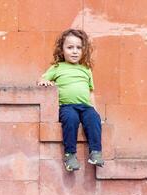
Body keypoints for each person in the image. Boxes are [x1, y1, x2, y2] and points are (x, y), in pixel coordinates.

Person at [37, 29, 104, 172]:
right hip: (67, 106)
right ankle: (70, 155)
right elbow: (42, 78)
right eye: (70, 47)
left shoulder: (86, 69)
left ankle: (96, 152)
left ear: (84, 50)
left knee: (94, 119)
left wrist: (96, 110)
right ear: (62, 50)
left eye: (79, 48)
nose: (75, 51)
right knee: (71, 119)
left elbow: (91, 91)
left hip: (85, 106)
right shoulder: (57, 67)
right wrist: (45, 82)